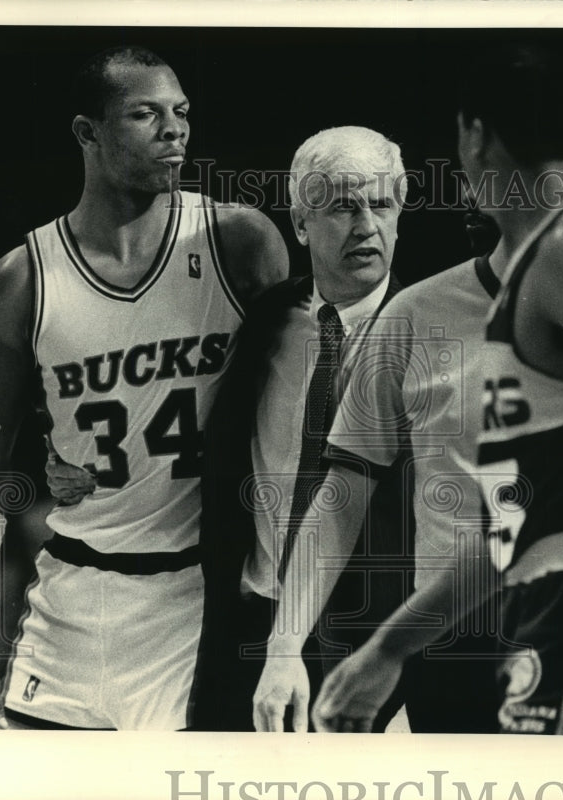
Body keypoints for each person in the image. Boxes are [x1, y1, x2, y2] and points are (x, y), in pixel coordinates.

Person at [312, 45, 563, 736]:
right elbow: (514, 527)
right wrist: (391, 645)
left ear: (473, 137)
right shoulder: (535, 276)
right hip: (552, 613)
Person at [0, 46, 288, 730]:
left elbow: (296, 421)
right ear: (86, 133)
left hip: (201, 598)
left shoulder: (239, 243)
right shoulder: (23, 281)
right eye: (145, 114)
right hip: (73, 598)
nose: (174, 129)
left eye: (181, 112)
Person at [190, 126, 412, 732]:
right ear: (300, 223)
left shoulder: (432, 330)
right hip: (247, 622)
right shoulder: (266, 320)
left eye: (382, 204)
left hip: (372, 638)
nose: (366, 224)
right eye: (342, 204)